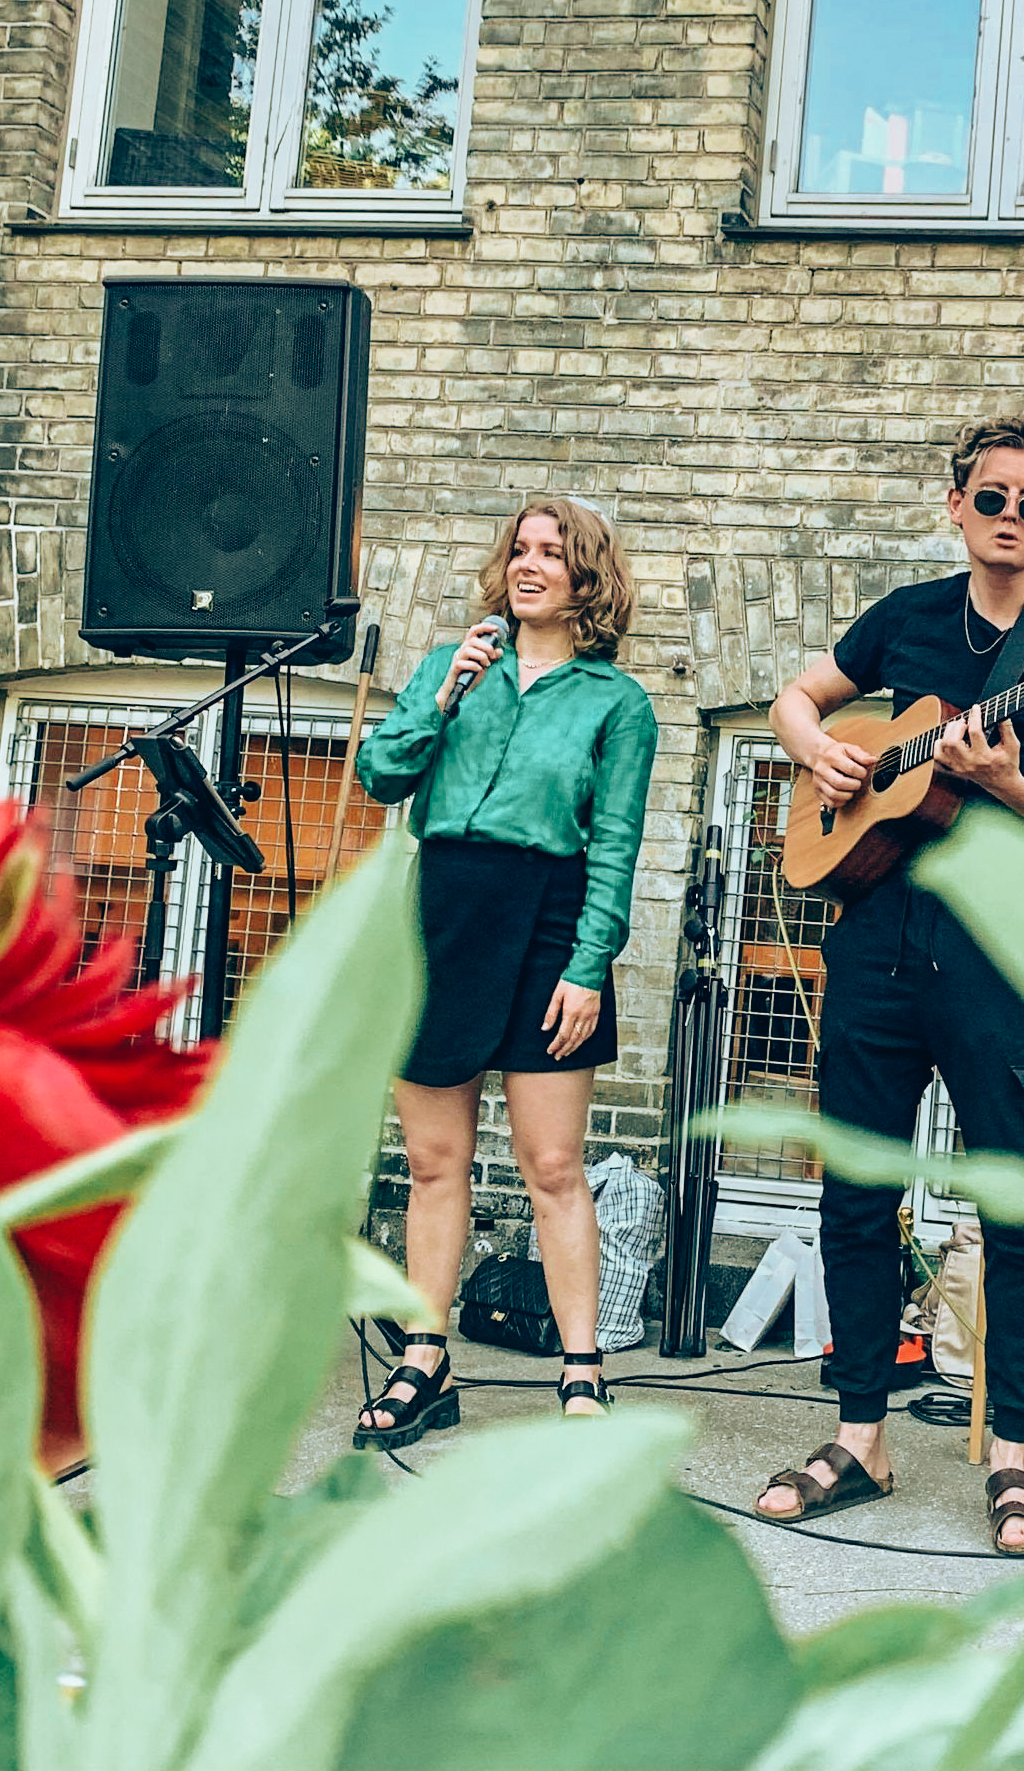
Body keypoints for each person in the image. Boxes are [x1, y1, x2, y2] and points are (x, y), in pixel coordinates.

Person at [756, 413, 1024, 1554]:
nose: (1011, 518)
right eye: (993, 497)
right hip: (876, 938)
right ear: (956, 505)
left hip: (1006, 953)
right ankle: (861, 1436)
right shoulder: (905, 619)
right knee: (856, 1193)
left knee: (1016, 1203)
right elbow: (795, 696)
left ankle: (1015, 1461)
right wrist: (812, 750)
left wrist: (1013, 784)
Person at [352, 498, 657, 1444]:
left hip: (548, 917)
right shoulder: (452, 667)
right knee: (435, 1163)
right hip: (443, 910)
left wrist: (588, 965)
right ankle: (425, 1358)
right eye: (519, 550)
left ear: (586, 578)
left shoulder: (617, 703)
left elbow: (615, 847)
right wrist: (443, 701)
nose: (529, 566)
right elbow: (379, 774)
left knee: (553, 1164)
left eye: (552, 554)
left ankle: (581, 1372)